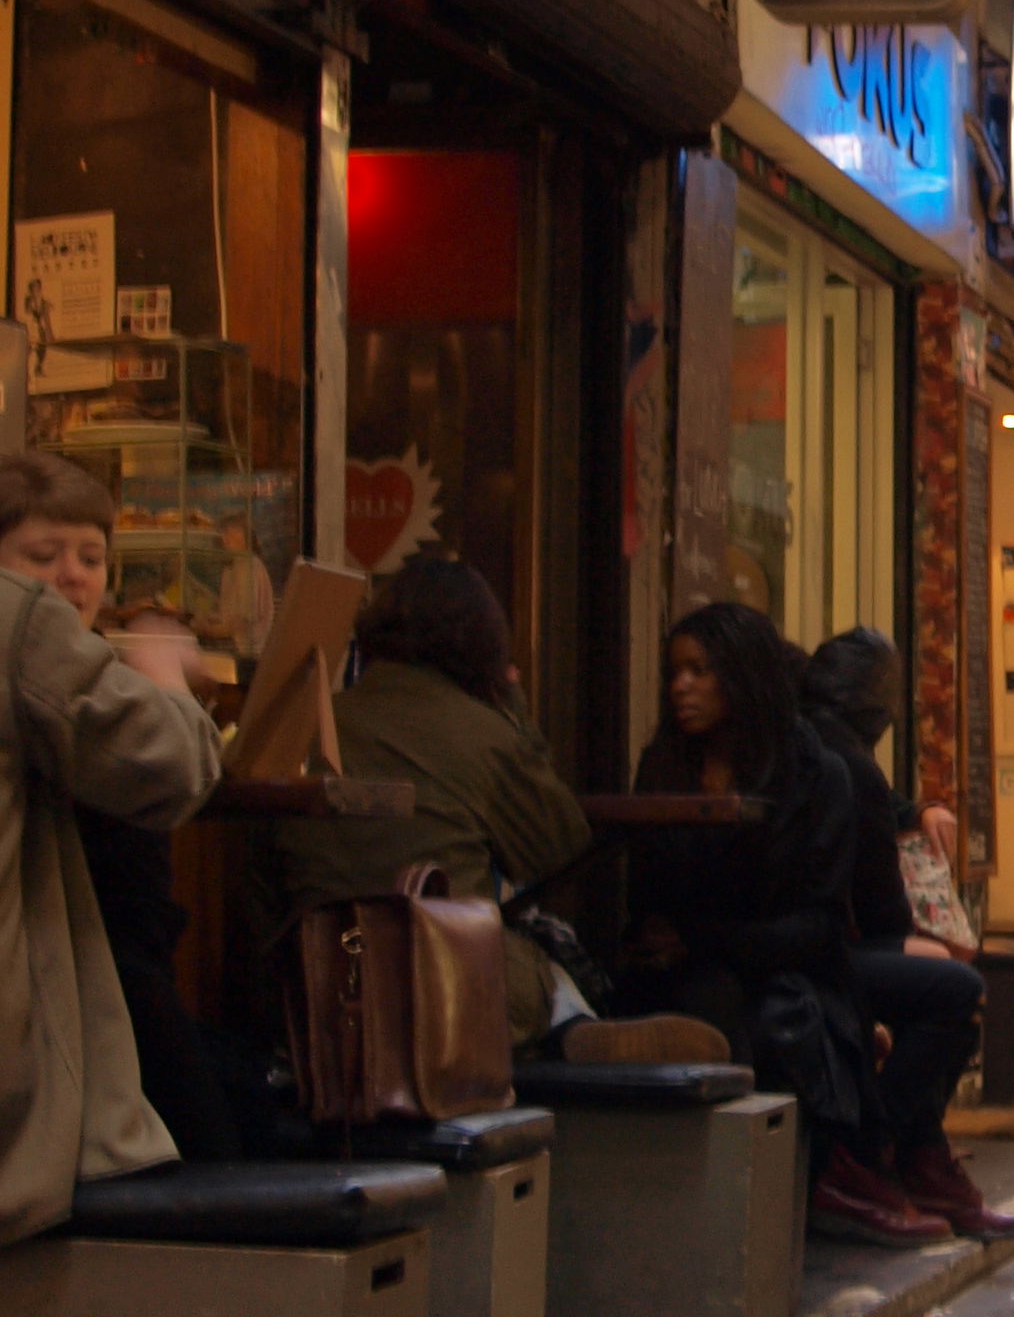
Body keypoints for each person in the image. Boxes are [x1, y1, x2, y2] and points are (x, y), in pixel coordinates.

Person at [617, 603, 888, 1243]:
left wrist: (703, 937)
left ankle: (759, 1204)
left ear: (743, 676)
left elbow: (817, 928)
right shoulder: (663, 768)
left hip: (788, 974)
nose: (680, 686)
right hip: (685, 970)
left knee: (749, 1009)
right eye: (674, 671)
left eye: (700, 670)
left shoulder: (816, 775)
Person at [267, 553, 602, 1059]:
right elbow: (560, 847)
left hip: (316, 987)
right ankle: (575, 1030)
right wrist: (514, 714)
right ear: (484, 645)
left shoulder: (306, 726)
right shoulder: (486, 735)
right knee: (543, 971)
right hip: (448, 993)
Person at [0, 450, 237, 1154]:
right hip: (62, 1009)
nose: (71, 576)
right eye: (44, 555)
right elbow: (171, 764)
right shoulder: (28, 638)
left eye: (91, 558)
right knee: (214, 1135)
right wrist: (168, 679)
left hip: (97, 987)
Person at [802, 629, 1014, 1244]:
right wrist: (924, 939)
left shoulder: (811, 744)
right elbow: (882, 911)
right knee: (953, 988)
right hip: (813, 951)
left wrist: (913, 811)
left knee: (943, 981)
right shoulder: (848, 763)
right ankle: (885, 1150)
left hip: (802, 944)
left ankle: (914, 1154)